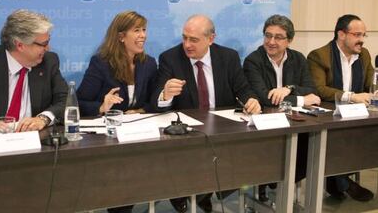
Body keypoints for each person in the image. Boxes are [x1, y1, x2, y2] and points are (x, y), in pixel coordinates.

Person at [153, 14, 261, 213]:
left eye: (193, 40)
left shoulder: (228, 57)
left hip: (221, 129)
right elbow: (155, 103)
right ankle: (188, 194)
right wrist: (165, 94)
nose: (187, 45)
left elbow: (243, 89)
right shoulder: (170, 58)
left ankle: (205, 193)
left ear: (211, 39)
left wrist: (251, 100)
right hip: (186, 134)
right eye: (184, 37)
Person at [76, 11, 157, 213]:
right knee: (123, 177)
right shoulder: (101, 63)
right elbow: (78, 102)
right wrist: (102, 107)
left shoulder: (148, 63)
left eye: (144, 30)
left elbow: (154, 100)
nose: (143, 36)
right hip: (111, 142)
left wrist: (140, 109)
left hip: (139, 136)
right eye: (136, 30)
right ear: (121, 36)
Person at [243, 14, 320, 201]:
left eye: (278, 37)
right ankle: (272, 182)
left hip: (294, 122)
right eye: (267, 35)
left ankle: (286, 186)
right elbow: (266, 98)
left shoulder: (298, 59)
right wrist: (302, 100)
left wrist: (288, 89)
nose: (271, 41)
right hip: (266, 124)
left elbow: (312, 89)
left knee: (309, 142)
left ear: (289, 40)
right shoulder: (253, 60)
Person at [0, 9, 67, 136]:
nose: (48, 48)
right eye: (43, 44)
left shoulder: (49, 62)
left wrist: (43, 118)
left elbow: (66, 100)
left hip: (34, 145)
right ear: (20, 45)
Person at [307, 14, 374, 202]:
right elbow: (318, 89)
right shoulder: (319, 56)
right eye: (357, 34)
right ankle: (343, 182)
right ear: (341, 34)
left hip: (358, 115)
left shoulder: (364, 54)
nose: (361, 40)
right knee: (337, 139)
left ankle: (337, 181)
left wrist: (374, 93)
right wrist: (351, 96)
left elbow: (370, 85)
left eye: (364, 35)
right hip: (329, 116)